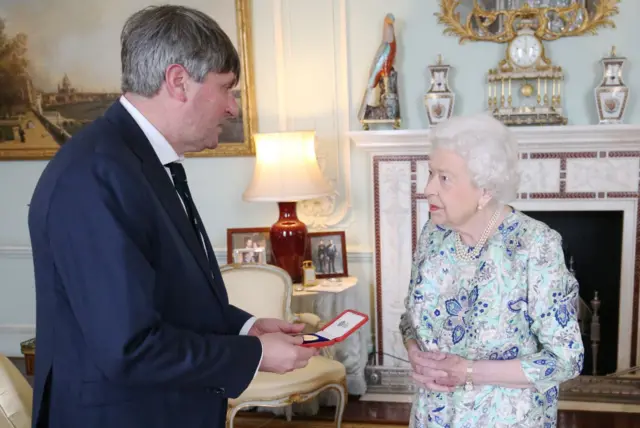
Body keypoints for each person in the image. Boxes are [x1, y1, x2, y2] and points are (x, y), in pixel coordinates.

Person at [27, 5, 317, 428]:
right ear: (179, 82)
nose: (232, 108)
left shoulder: (132, 160)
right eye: (227, 89)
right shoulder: (94, 175)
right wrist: (253, 355)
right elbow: (130, 347)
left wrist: (245, 328)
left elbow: (165, 297)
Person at [399, 114, 584, 427]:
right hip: (433, 415)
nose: (427, 188)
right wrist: (414, 351)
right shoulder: (434, 233)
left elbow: (566, 360)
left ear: (484, 190)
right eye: (431, 173)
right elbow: (409, 320)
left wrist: (467, 371)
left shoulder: (535, 245)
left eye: (444, 178)